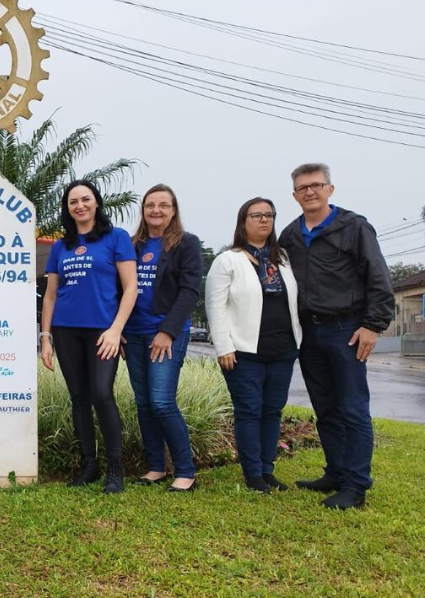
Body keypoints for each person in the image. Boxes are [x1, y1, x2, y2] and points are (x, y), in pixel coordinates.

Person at [278, 163, 394, 510]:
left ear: (330, 188)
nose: (310, 192)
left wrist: (373, 326)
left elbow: (379, 277)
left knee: (353, 409)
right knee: (325, 409)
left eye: (316, 185)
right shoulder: (290, 235)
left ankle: (356, 487)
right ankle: (336, 472)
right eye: (303, 188)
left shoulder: (354, 227)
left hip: (347, 329)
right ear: (295, 195)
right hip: (309, 332)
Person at [39, 180, 138, 493]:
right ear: (67, 209)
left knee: (101, 394)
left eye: (85, 199)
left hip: (102, 332)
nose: (79, 206)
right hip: (66, 331)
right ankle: (89, 467)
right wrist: (45, 337)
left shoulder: (116, 238)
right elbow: (51, 295)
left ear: (96, 202)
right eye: (72, 202)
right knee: (79, 399)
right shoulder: (61, 246)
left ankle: (116, 470)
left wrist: (116, 328)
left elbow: (131, 287)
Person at [207, 198, 302, 493]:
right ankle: (253, 474)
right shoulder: (228, 260)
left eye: (269, 215)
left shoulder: (283, 259)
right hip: (244, 352)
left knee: (272, 410)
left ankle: (267, 468)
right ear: (243, 221)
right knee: (249, 411)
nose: (264, 220)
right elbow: (215, 306)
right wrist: (223, 346)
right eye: (256, 215)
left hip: (283, 349)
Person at [123, 185, 204, 492]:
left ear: (173, 210)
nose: (156, 210)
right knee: (144, 404)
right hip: (133, 334)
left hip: (166, 335)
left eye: (163, 205)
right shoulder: (132, 245)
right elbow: (120, 290)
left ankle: (185, 471)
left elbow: (189, 292)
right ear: (143, 210)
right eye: (150, 205)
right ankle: (156, 466)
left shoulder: (186, 244)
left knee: (162, 402)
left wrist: (167, 332)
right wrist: (118, 330)